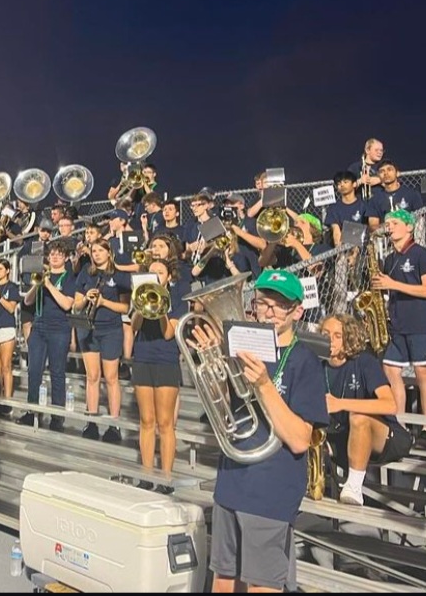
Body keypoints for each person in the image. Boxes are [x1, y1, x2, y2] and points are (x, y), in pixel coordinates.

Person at [192, 269, 328, 593]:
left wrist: (265, 385)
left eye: (279, 305)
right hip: (231, 481)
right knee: (222, 582)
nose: (268, 311)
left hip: (270, 488)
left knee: (261, 587)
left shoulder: (304, 361)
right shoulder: (243, 347)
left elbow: (299, 440)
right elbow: (225, 411)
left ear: (297, 311)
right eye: (263, 302)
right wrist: (211, 363)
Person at [320, 314, 412, 506]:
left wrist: (341, 403)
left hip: (386, 435)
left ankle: (354, 486)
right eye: (326, 333)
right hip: (342, 435)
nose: (330, 339)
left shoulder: (364, 362)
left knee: (359, 418)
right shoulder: (316, 364)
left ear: (349, 338)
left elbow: (390, 404)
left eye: (338, 335)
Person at [376, 209, 426, 451]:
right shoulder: (390, 259)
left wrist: (393, 284)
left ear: (409, 227)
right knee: (390, 369)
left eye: (394, 223)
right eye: (387, 223)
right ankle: (399, 424)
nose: (389, 227)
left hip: (421, 323)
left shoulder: (421, 254)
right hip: (398, 325)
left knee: (424, 372)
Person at [129, 234, 188, 491]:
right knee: (146, 420)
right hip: (142, 356)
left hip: (165, 359)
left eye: (160, 273)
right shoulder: (140, 296)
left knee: (165, 423)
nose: (155, 276)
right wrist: (141, 305)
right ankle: (146, 473)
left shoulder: (175, 299)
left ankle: (165, 477)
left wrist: (160, 302)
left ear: (168, 277)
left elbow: (168, 333)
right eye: (151, 273)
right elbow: (133, 328)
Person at [74, 240, 131, 444]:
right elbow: (76, 304)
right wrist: (86, 299)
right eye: (93, 251)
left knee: (111, 377)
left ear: (109, 252)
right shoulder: (85, 274)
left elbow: (126, 309)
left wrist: (104, 302)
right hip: (88, 329)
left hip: (111, 329)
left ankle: (114, 423)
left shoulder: (119, 275)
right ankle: (91, 419)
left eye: (100, 250)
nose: (96, 254)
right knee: (92, 376)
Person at [19, 243, 76, 431]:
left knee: (57, 372)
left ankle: (57, 416)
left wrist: (49, 285)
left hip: (59, 328)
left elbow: (67, 305)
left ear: (66, 258)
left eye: (59, 255)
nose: (55, 257)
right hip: (39, 326)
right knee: (34, 371)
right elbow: (27, 301)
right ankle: (32, 410)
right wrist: (37, 285)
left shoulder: (69, 278)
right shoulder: (42, 275)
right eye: (52, 254)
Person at [0, 260, 20, 405]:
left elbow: (11, 308)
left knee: (6, 366)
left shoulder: (12, 287)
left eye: (0, 269)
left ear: (7, 271)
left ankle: (8, 401)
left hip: (6, 326)